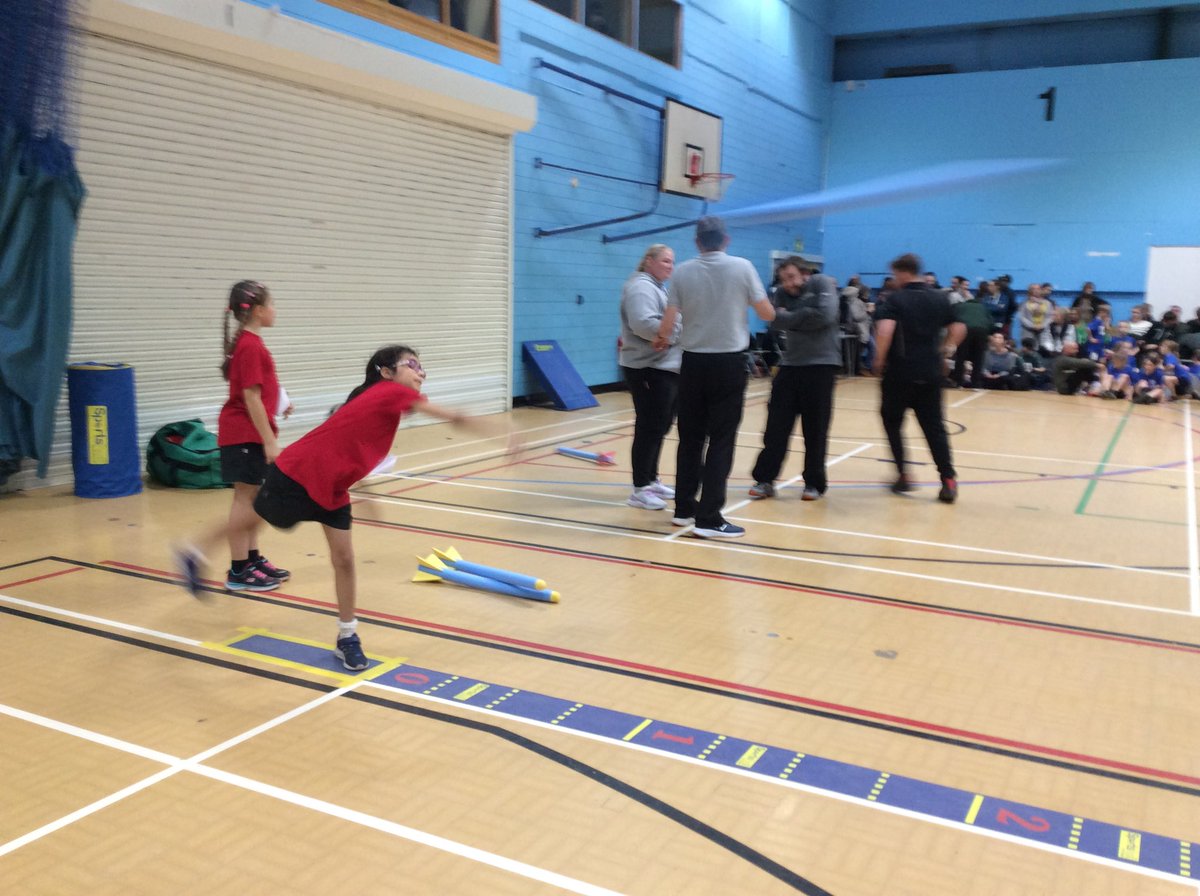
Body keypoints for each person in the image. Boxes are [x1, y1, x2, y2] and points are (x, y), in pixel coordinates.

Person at [176, 345, 503, 670]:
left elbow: (350, 443)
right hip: (299, 472)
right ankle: (194, 551)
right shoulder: (389, 391)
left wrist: (366, 490)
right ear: (387, 373)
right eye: (412, 364)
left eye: (422, 366)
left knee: (344, 559)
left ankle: (347, 637)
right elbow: (454, 417)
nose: (422, 371)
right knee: (250, 518)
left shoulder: (379, 400)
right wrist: (503, 433)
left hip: (333, 487)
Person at [654, 216, 775, 538]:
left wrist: (662, 338)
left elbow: (668, 322)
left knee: (690, 438)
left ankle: (683, 509)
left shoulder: (682, 272)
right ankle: (709, 519)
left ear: (697, 242)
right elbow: (766, 314)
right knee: (721, 439)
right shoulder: (743, 267)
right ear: (726, 239)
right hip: (728, 364)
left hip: (692, 363)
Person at [209, 280, 294, 593]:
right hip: (243, 435)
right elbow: (250, 397)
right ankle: (238, 569)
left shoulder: (251, 343)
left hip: (249, 433)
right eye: (271, 304)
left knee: (253, 499)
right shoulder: (249, 346)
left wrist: (282, 401)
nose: (274, 310)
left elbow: (261, 388)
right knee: (245, 499)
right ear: (257, 311)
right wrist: (270, 442)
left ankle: (252, 558)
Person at [872, 252, 965, 503]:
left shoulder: (895, 300)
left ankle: (904, 474)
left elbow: (885, 329)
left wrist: (879, 359)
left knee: (892, 422)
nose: (894, 279)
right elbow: (959, 327)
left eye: (894, 274)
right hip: (930, 373)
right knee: (935, 428)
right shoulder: (940, 298)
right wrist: (947, 352)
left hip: (899, 373)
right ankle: (948, 479)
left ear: (903, 272)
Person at [748, 258, 839, 502]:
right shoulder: (780, 293)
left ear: (805, 274)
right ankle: (765, 479)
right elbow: (775, 321)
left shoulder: (822, 283)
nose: (787, 283)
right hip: (789, 366)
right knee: (776, 427)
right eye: (783, 279)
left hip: (821, 366)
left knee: (815, 429)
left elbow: (826, 316)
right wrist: (806, 314)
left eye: (791, 277)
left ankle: (814, 483)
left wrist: (793, 316)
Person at [619, 244, 681, 511]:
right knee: (649, 426)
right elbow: (644, 324)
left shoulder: (658, 287)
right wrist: (674, 333)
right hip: (646, 367)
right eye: (666, 261)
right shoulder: (641, 287)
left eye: (672, 262)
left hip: (663, 366)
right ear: (649, 261)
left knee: (660, 425)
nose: (671, 266)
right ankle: (639, 488)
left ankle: (651, 479)